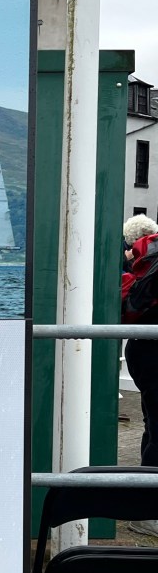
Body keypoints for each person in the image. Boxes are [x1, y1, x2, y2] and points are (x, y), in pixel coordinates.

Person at [121, 214, 158, 536]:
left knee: (154, 425)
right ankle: (147, 512)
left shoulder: (146, 262)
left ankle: (145, 507)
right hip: (152, 350)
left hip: (143, 348)